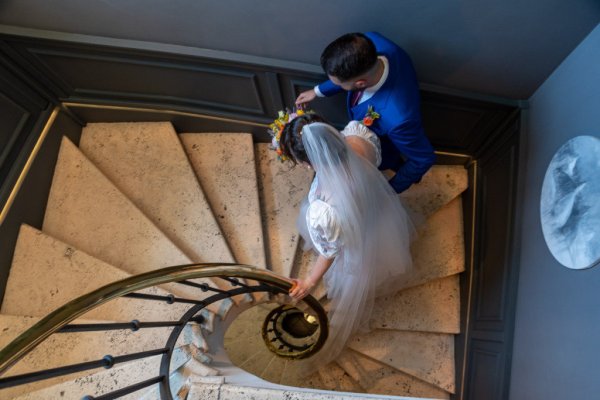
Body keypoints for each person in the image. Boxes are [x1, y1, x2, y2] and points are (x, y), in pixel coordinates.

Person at [271, 111, 415, 363]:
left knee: (347, 265)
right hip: (372, 213)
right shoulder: (357, 137)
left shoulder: (325, 208)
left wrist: (310, 282)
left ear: (309, 163)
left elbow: (330, 251)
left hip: (352, 230)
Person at [295, 32, 436, 193]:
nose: (338, 86)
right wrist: (318, 90)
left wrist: (390, 190)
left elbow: (424, 158)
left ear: (361, 83)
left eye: (340, 85)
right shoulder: (371, 42)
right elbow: (345, 77)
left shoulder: (399, 120)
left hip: (384, 148)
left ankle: (409, 174)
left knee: (395, 162)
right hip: (373, 130)